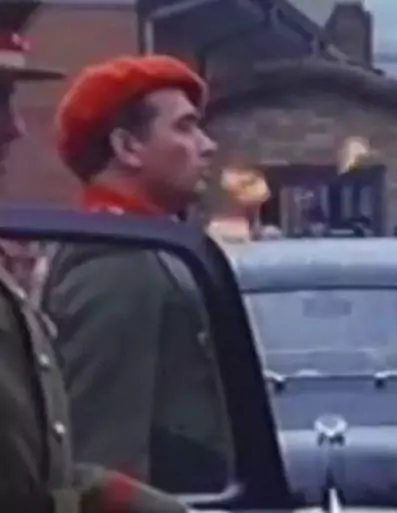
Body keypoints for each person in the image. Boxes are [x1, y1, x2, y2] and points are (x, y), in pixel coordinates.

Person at [0, 3, 188, 511]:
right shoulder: (117, 258)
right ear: (127, 147)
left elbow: (43, 475)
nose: (15, 129)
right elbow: (103, 439)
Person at [41, 55, 231, 492]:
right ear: (127, 147)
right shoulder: (117, 260)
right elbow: (102, 453)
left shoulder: (149, 247)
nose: (207, 145)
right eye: (184, 127)